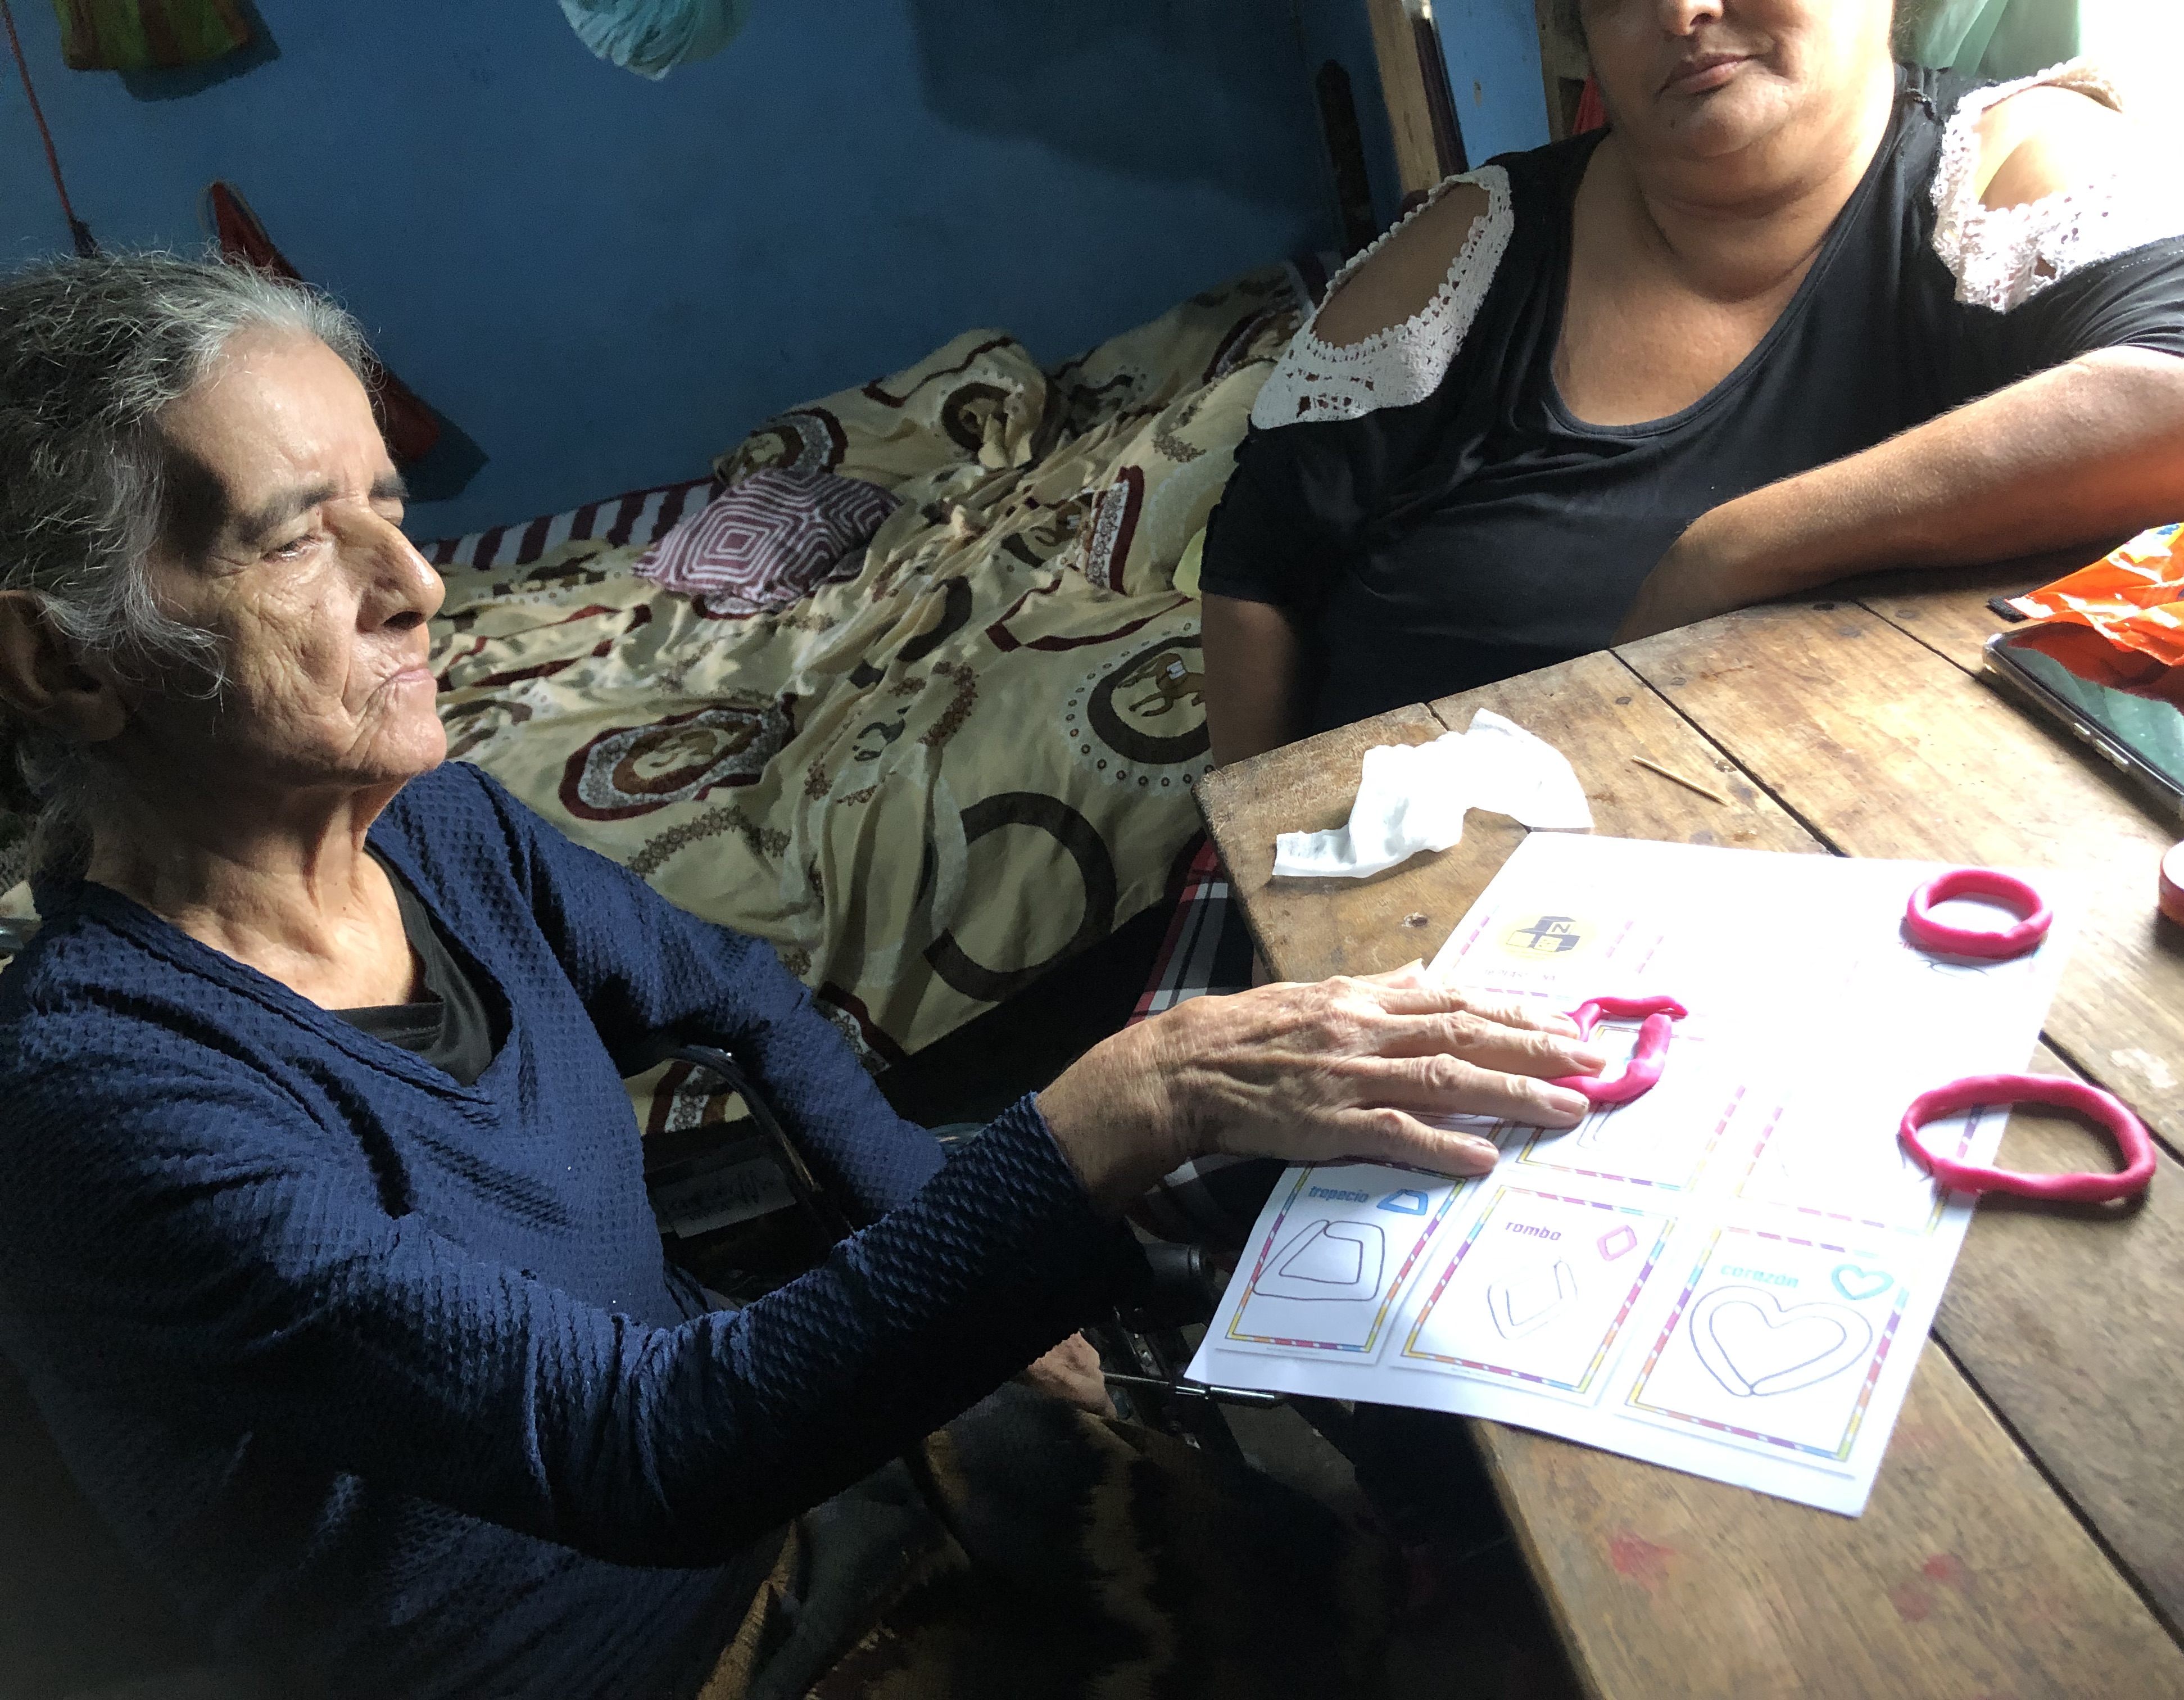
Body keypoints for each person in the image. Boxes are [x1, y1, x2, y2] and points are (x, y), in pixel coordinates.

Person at [0, 256, 1612, 1699]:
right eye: (296, 535)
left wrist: (928, 1218)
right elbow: (644, 1449)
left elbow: (738, 995)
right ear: (63, 660)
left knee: (1339, 1554)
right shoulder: (104, 1104)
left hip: (762, 1476)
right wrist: (1129, 1106)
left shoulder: (443, 834)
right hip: (635, 1643)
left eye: (390, 506)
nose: (416, 587)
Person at [1200, 0, 2184, 763]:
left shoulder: (2014, 164)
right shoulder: (1467, 255)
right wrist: (1266, 905)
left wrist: (1728, 556)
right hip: (1391, 923)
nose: (1681, 13)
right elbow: (1256, 575)